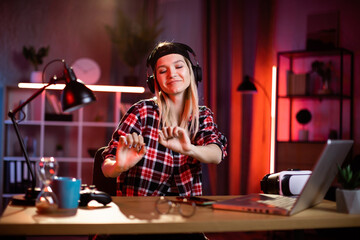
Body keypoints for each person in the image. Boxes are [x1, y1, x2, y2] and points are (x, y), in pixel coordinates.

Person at [101, 41, 227, 197]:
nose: (172, 74)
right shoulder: (141, 112)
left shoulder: (202, 116)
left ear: (192, 72)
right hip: (140, 211)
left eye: (179, 66)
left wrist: (189, 149)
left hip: (186, 211)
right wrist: (119, 167)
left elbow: (216, 154)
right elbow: (107, 165)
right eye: (162, 71)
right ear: (155, 81)